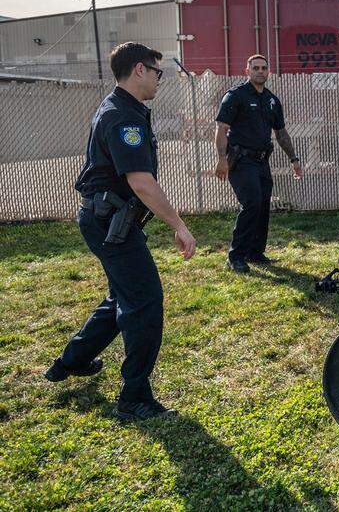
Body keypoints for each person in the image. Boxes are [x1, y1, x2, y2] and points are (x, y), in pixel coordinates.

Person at [45, 42, 196, 421]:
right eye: (157, 72)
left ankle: (71, 361)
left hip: (109, 219)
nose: (160, 80)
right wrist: (178, 225)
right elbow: (141, 181)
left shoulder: (121, 108)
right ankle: (134, 397)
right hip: (110, 223)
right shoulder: (124, 117)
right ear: (139, 70)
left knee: (121, 298)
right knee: (144, 302)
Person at [214, 55, 302, 273]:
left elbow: (281, 134)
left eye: (264, 68)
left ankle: (255, 252)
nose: (260, 71)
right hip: (241, 161)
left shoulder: (272, 100)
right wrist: (222, 159)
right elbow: (221, 129)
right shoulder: (235, 96)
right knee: (251, 203)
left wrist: (294, 159)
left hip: (262, 161)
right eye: (256, 68)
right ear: (247, 71)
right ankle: (236, 256)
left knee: (263, 206)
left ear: (268, 72)